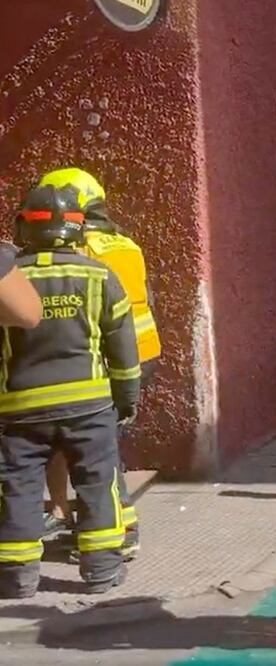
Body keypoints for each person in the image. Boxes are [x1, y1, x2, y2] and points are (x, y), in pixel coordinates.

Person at [0, 184, 140, 598]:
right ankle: (100, 570)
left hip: (20, 409)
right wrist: (126, 398)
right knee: (98, 481)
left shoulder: (10, 279)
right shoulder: (99, 276)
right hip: (90, 407)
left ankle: (17, 576)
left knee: (19, 487)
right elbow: (123, 348)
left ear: (25, 227)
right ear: (77, 229)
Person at [37, 167, 158, 559]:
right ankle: (88, 520)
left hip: (105, 359)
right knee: (100, 446)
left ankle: (121, 532)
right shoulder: (124, 243)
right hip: (140, 354)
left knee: (95, 451)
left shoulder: (79, 249)